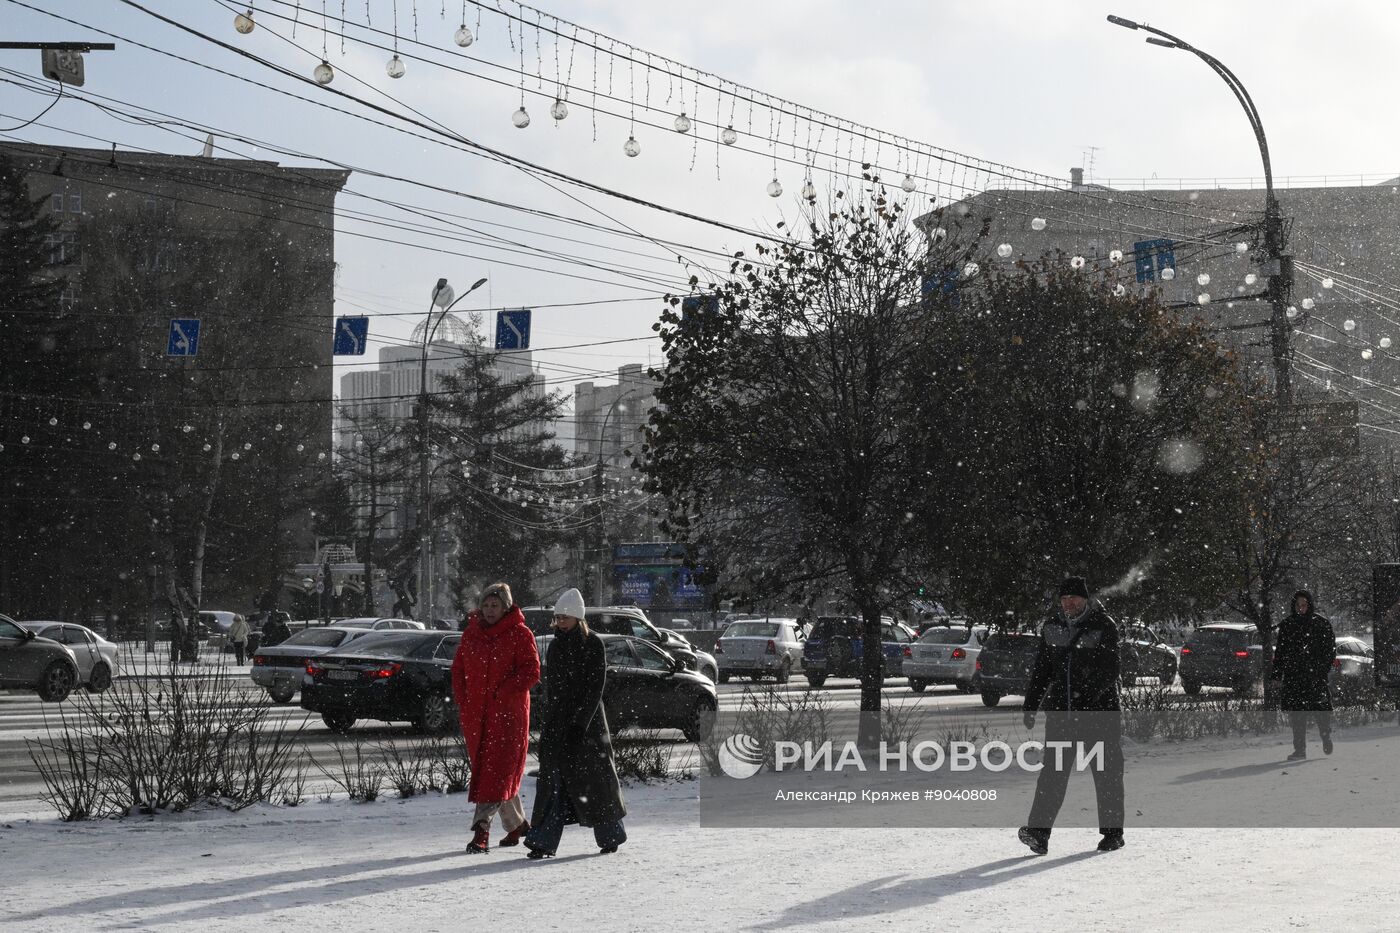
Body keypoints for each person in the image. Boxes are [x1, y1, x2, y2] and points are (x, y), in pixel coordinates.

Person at [1018, 576, 1125, 856]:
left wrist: (1086, 698)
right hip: (1062, 716)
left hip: (1098, 717)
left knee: (1106, 775)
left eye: (1074, 598)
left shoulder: (1104, 626)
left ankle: (1113, 834)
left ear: (1085, 600)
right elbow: (1043, 669)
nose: (1069, 603)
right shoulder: (1052, 627)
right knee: (1052, 775)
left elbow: (1110, 671)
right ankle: (1038, 834)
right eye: (1064, 599)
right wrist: (1031, 703)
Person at [524, 587, 627, 859]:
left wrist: (580, 724)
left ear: (578, 618)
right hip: (559, 724)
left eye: (565, 617)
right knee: (553, 785)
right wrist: (552, 722)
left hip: (588, 727)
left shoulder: (593, 644)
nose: (560, 621)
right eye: (557, 617)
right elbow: (554, 690)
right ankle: (542, 841)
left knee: (596, 784)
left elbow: (594, 689)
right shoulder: (556, 646)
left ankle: (610, 836)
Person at [451, 582, 541, 854]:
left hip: (508, 716)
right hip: (476, 715)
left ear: (506, 607)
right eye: (487, 605)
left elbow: (531, 671)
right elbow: (459, 669)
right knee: (495, 773)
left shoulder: (520, 634)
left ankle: (481, 830)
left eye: (496, 605)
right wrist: (464, 699)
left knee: (494, 772)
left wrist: (505, 691)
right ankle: (516, 826)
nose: (490, 611)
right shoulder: (471, 635)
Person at [1271, 590, 1336, 760]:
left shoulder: (1321, 624)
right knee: (1297, 715)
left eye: (1304, 605)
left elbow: (1330, 651)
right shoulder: (1287, 625)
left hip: (1315, 677)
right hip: (1294, 677)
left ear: (1310, 605)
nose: (1301, 608)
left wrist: (1321, 670)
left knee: (1321, 711)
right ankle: (1300, 749)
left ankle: (1325, 736)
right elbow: (1281, 652)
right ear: (1294, 606)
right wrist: (1277, 674)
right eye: (1298, 605)